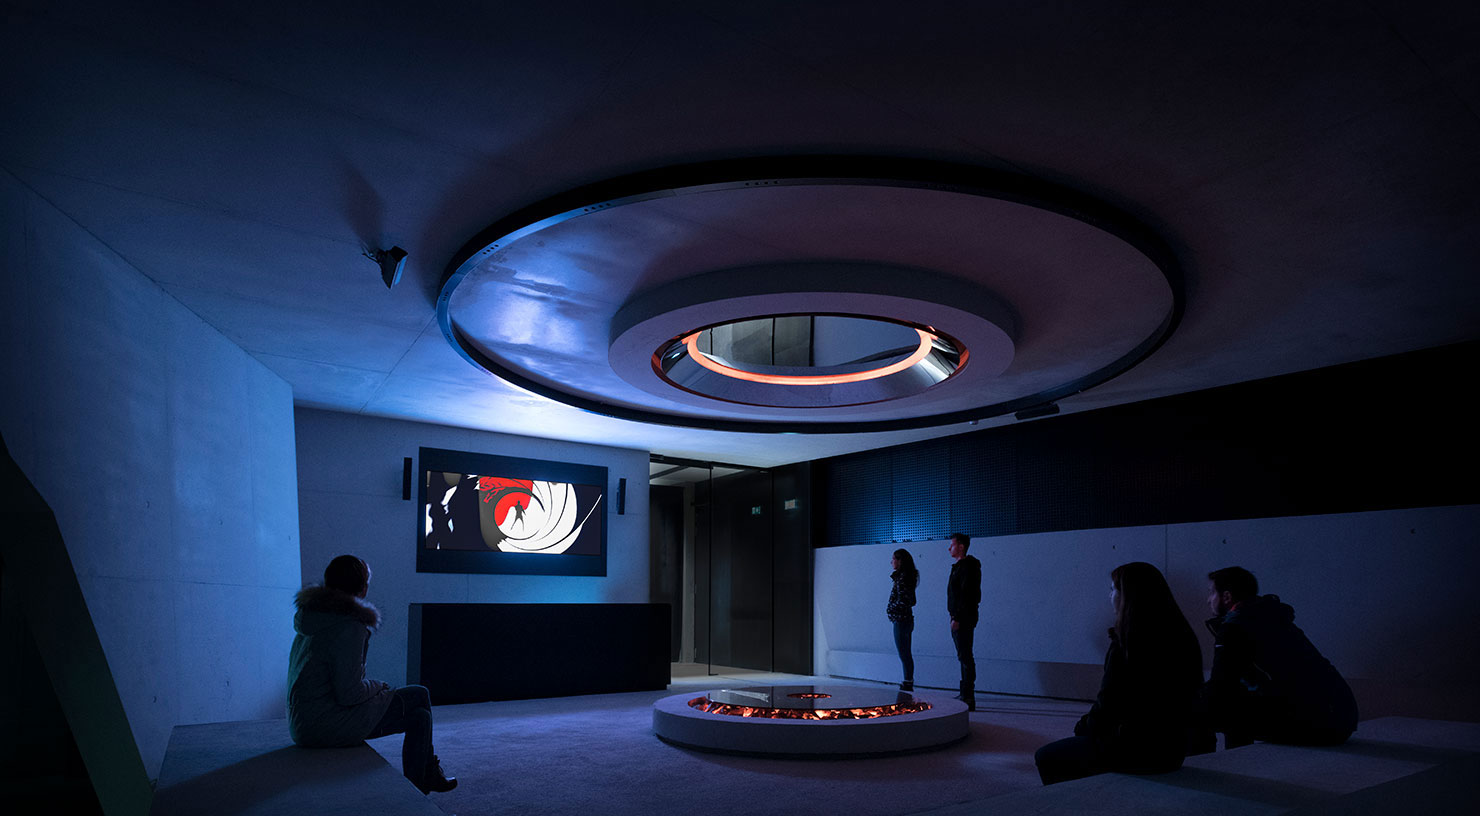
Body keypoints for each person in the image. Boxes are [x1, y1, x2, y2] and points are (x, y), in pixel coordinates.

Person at [288, 555, 457, 794]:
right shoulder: (348, 625)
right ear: (363, 589)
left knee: (420, 717)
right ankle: (424, 781)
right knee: (419, 695)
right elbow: (349, 693)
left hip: (303, 722)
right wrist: (379, 686)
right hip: (324, 724)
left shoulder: (314, 616)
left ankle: (421, 786)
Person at [1035, 562, 1208, 785]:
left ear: (1126, 595)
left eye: (1112, 589)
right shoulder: (1183, 636)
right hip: (1174, 750)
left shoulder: (1127, 644)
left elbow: (1108, 706)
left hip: (1135, 751)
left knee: (1046, 756)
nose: (1109, 596)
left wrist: (1084, 726)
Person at [1205, 566, 1358, 748]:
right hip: (1341, 717)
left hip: (1319, 725)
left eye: (1212, 593)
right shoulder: (1275, 618)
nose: (1208, 599)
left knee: (1207, 706)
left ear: (1227, 597)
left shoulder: (1235, 627)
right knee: (1231, 696)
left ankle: (1221, 762)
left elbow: (1220, 685)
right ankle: (1238, 758)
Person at [946, 533, 981, 711]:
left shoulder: (967, 567)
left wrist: (957, 617)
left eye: (952, 545)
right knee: (964, 655)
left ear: (961, 546)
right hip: (962, 617)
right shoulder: (961, 567)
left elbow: (966, 594)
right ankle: (965, 694)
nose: (949, 548)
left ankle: (968, 696)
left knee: (965, 655)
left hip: (963, 618)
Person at [887, 549, 920, 691]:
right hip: (906, 619)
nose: (891, 562)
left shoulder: (902, 579)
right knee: (906, 652)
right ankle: (908, 680)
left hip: (901, 620)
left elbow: (904, 600)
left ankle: (908, 681)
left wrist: (890, 609)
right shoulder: (907, 578)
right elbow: (911, 600)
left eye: (894, 559)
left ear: (900, 561)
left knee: (904, 653)